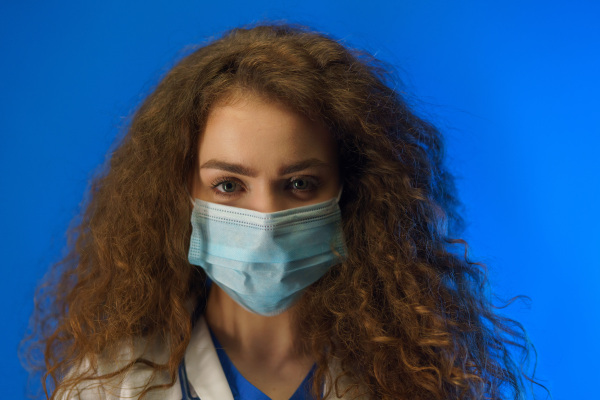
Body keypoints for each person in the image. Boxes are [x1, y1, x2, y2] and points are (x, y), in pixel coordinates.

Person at [24, 24, 539, 400]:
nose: (265, 219)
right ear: (179, 193)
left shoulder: (414, 381)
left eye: (299, 184)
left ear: (350, 192)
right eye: (228, 185)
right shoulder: (110, 387)